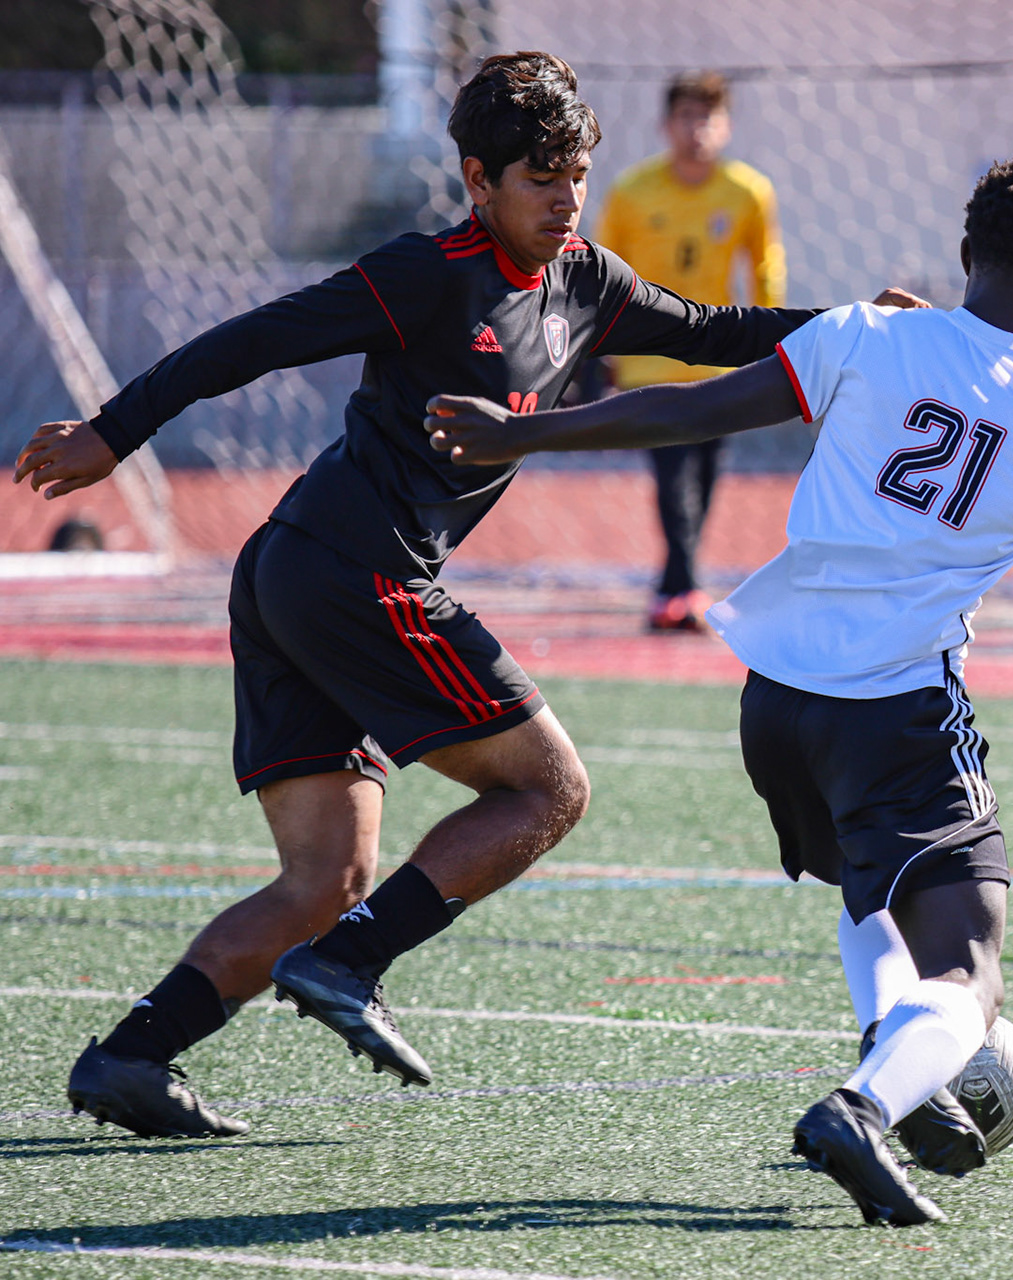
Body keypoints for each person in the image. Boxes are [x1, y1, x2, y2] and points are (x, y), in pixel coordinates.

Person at [13, 50, 921, 1140]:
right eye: (540, 177)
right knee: (550, 788)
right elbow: (252, 341)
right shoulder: (427, 272)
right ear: (477, 180)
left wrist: (864, 329)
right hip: (353, 571)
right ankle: (350, 961)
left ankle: (131, 1055)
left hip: (309, 572)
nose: (565, 197)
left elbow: (714, 332)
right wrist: (113, 432)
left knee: (327, 875)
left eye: (575, 173)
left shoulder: (587, 279)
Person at [426, 152, 1013, 1225]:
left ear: (964, 253)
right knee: (972, 972)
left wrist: (521, 430)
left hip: (775, 697)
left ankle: (893, 1056)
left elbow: (693, 413)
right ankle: (865, 1103)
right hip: (896, 708)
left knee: (870, 885)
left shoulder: (865, 333)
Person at [592, 70, 783, 632]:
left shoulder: (748, 191)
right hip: (649, 360)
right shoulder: (632, 190)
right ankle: (684, 587)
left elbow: (766, 268)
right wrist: (599, 344)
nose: (697, 129)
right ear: (666, 124)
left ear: (726, 126)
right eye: (686, 117)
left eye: (708, 117)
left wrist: (771, 343)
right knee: (672, 471)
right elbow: (601, 271)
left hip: (719, 359)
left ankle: (674, 585)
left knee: (704, 475)